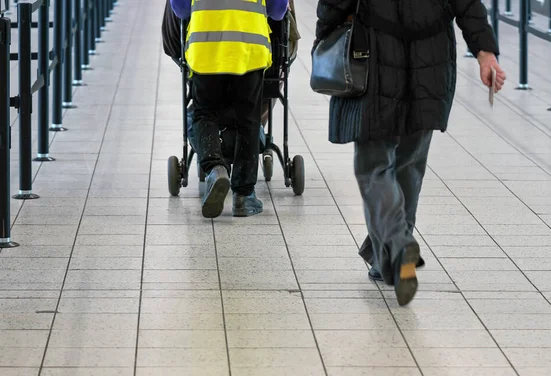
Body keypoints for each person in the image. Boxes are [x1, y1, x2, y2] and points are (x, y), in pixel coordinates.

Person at [314, 0, 506, 305]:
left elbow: (334, 4)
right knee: (409, 164)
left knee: (373, 167)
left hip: (374, 58)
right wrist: (486, 53)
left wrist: (325, 30)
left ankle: (398, 243)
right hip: (431, 63)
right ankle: (389, 255)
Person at [170, 0, 288, 218]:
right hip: (248, 50)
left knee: (204, 112)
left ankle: (215, 168)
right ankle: (244, 197)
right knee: (248, 119)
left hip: (205, 49)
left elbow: (180, 8)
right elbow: (278, 10)